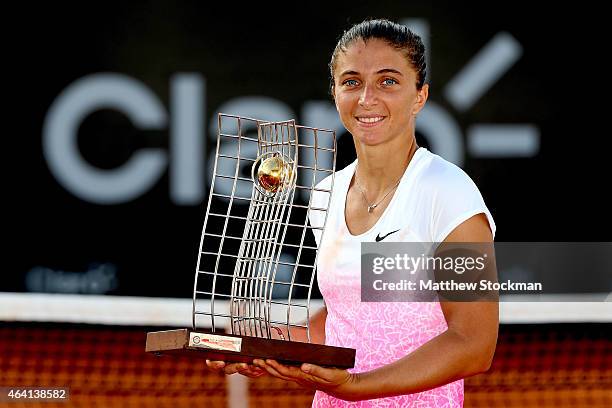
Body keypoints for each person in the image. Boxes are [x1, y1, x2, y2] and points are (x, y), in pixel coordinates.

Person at [207, 18, 498, 407]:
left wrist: (357, 386)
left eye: (388, 81)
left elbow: (473, 344)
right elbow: (342, 319)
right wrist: (258, 344)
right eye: (351, 81)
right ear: (335, 93)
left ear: (420, 96)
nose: (367, 98)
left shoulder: (448, 192)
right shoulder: (325, 194)